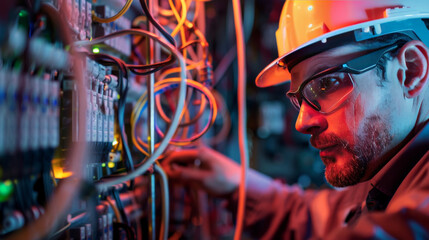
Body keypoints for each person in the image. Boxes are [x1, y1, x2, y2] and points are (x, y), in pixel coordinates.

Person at [163, 0, 429, 239]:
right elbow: (319, 218)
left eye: (326, 83)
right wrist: (236, 182)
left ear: (410, 70)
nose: (302, 122)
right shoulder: (385, 178)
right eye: (299, 98)